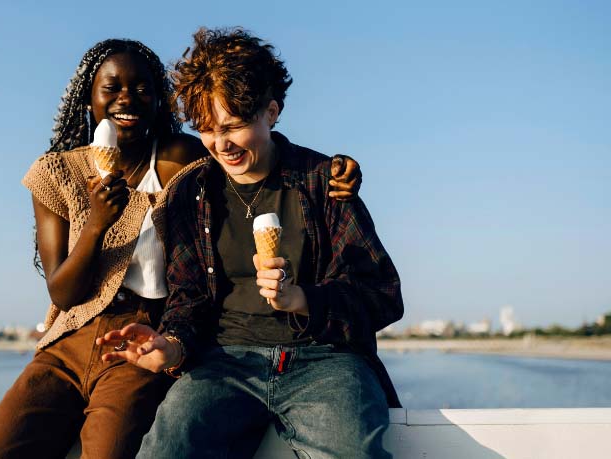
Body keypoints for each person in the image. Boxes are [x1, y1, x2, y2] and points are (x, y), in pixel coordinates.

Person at [0, 38, 362, 459]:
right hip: (73, 335)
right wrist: (98, 222)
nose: (126, 99)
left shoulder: (185, 162)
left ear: (161, 102)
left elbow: (251, 139)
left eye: (141, 88)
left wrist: (332, 169)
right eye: (111, 87)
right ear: (88, 99)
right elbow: (63, 294)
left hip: (143, 331)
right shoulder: (56, 172)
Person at [98, 28, 403, 459]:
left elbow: (383, 296)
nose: (220, 144)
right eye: (206, 129)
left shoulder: (324, 182)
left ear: (271, 111)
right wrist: (171, 346)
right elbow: (189, 298)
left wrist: (303, 299)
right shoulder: (191, 194)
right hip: (224, 364)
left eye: (234, 126)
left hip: (328, 363)